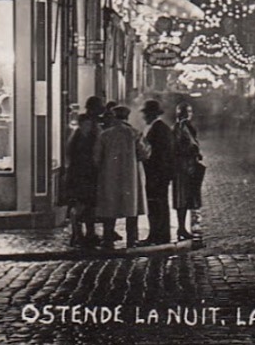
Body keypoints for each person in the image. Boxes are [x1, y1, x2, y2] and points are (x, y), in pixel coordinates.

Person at [94, 104, 148, 248]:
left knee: (109, 208)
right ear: (127, 117)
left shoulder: (105, 134)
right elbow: (143, 154)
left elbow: (96, 158)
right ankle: (132, 240)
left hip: (109, 177)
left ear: (114, 116)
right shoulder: (134, 133)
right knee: (131, 209)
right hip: (131, 178)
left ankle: (108, 239)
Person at [62, 96, 104, 247]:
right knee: (81, 204)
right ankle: (77, 234)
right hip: (83, 172)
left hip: (83, 171)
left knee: (89, 204)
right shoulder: (87, 126)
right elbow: (91, 150)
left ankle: (88, 233)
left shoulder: (87, 126)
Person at [139, 100, 174, 244]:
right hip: (158, 173)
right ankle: (159, 234)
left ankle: (158, 234)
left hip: (157, 173)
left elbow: (160, 154)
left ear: (152, 114)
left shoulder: (159, 129)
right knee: (158, 203)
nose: (144, 117)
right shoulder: (159, 128)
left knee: (156, 204)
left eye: (146, 114)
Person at [171, 101, 204, 240]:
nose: (188, 115)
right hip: (181, 167)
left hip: (189, 165)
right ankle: (181, 227)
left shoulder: (188, 127)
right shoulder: (179, 128)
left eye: (189, 112)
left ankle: (182, 227)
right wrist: (191, 151)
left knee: (188, 197)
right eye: (185, 112)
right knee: (181, 199)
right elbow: (177, 146)